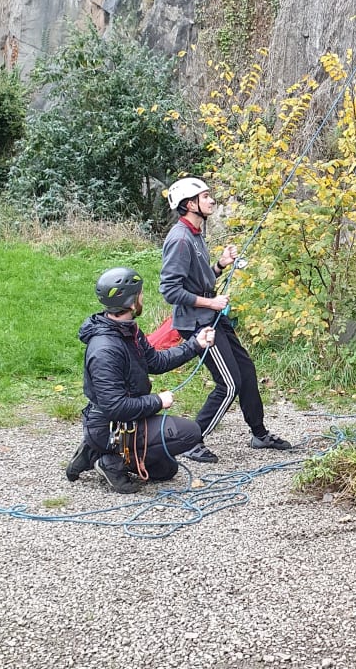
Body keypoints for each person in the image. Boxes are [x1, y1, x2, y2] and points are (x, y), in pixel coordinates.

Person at [159, 177, 291, 462]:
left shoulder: (195, 234)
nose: (211, 201)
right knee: (229, 383)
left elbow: (198, 280)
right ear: (190, 204)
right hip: (197, 324)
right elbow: (170, 290)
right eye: (206, 197)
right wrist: (211, 302)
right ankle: (192, 443)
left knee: (246, 371)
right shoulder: (180, 239)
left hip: (212, 316)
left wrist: (219, 265)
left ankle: (259, 434)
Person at [64, 267, 216, 494]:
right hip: (110, 425)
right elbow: (114, 406)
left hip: (130, 419)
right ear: (132, 302)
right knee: (189, 433)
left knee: (166, 471)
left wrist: (195, 344)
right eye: (140, 294)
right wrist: (157, 401)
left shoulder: (128, 330)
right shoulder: (105, 349)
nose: (143, 297)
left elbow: (155, 362)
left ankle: (95, 451)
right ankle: (108, 460)